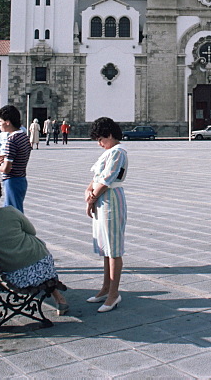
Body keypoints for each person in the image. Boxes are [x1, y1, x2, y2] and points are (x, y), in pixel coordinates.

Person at [0, 176, 68, 314]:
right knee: (34, 247)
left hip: (8, 275)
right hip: (41, 266)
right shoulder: (10, 212)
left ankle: (57, 296)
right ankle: (58, 297)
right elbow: (32, 231)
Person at [84, 117, 128, 312]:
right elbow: (95, 178)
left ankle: (114, 294)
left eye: (101, 139)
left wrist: (92, 197)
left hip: (111, 199)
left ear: (110, 135)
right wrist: (88, 193)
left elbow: (107, 179)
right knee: (105, 247)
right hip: (102, 199)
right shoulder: (108, 152)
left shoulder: (118, 152)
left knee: (114, 248)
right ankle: (105, 288)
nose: (99, 144)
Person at [0, 105, 31, 213]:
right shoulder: (23, 136)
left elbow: (6, 169)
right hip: (21, 178)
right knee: (14, 209)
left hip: (12, 180)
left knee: (13, 212)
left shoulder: (11, 140)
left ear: (8, 122)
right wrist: (7, 157)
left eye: (0, 121)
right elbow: (20, 155)